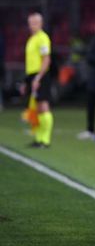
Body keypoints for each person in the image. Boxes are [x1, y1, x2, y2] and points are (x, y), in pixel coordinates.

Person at [23, 13, 53, 148]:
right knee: (36, 108)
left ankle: (45, 140)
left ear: (41, 23)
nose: (32, 25)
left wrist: (38, 77)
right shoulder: (31, 39)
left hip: (40, 75)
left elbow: (46, 59)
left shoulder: (43, 38)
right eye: (30, 23)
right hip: (31, 75)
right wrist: (27, 81)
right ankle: (38, 138)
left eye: (35, 22)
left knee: (43, 105)